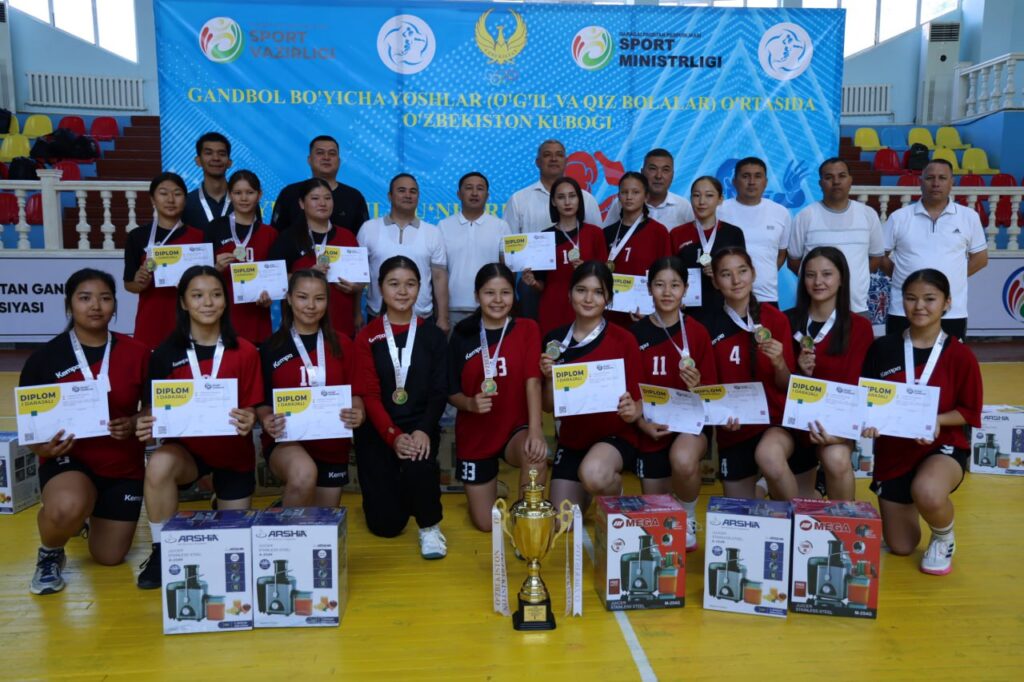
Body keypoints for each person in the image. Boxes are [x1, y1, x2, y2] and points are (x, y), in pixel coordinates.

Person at [20, 269, 150, 595]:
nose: (95, 306)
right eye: (85, 298)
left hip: (123, 466)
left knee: (109, 556)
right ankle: (50, 552)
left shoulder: (137, 352)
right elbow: (30, 425)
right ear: (69, 305)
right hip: (69, 462)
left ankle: (86, 515)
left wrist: (134, 421)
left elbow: (155, 407)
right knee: (67, 506)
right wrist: (42, 449)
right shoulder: (44, 359)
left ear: (115, 305)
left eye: (105, 298)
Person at [134, 266, 262, 589]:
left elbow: (253, 406)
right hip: (188, 455)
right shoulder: (165, 354)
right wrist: (146, 422)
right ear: (183, 302)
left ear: (226, 301)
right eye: (198, 295)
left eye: (216, 295)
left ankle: (222, 500)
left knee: (233, 551)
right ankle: (162, 550)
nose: (208, 303)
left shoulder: (246, 351)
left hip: (234, 456)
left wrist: (251, 417)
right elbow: (151, 409)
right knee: (158, 464)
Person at [862, 269, 982, 575]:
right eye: (911, 298)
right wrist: (870, 421)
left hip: (942, 447)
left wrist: (936, 420)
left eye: (930, 299)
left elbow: (970, 411)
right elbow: (867, 400)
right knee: (902, 545)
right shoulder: (882, 349)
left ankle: (943, 536)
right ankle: (917, 499)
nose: (919, 307)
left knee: (928, 490)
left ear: (947, 303)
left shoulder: (961, 355)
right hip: (894, 453)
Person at [353, 257, 449, 558]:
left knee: (418, 458)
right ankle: (401, 494)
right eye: (394, 284)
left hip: (419, 425)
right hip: (378, 429)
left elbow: (439, 392)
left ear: (420, 288)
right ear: (380, 288)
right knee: (386, 526)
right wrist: (393, 436)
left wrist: (423, 430)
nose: (403, 291)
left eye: (410, 284)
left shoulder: (432, 335)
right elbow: (369, 395)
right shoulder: (367, 336)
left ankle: (429, 526)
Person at [447, 264, 547, 531]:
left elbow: (533, 382)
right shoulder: (462, 334)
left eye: (505, 292)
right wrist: (470, 403)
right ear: (477, 295)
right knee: (486, 524)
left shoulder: (527, 328)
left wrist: (536, 431)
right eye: (489, 293)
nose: (498, 300)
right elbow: (451, 391)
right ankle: (493, 483)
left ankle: (526, 527)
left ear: (514, 294)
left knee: (535, 455)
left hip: (515, 429)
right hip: (477, 434)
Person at [540, 261, 643, 512]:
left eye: (598, 292)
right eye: (581, 290)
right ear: (569, 294)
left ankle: (612, 489)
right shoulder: (554, 341)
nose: (588, 299)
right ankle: (587, 490)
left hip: (614, 437)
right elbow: (548, 406)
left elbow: (640, 401)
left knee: (594, 474)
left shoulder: (625, 339)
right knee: (562, 522)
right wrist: (550, 378)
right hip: (573, 439)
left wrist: (633, 409)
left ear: (608, 299)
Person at [257, 270, 365, 507]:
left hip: (332, 443)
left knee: (321, 521)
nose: (311, 306)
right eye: (302, 297)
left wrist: (358, 412)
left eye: (319, 298)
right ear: (289, 298)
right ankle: (285, 525)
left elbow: (356, 393)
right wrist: (266, 419)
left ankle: (283, 509)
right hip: (287, 442)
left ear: (328, 301)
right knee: (303, 473)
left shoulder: (344, 344)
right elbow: (262, 402)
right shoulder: (271, 347)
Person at [630, 258, 717, 551]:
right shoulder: (636, 334)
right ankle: (672, 510)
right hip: (651, 427)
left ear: (686, 289)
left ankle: (689, 516)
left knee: (682, 459)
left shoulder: (698, 332)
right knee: (658, 524)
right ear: (648, 289)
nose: (667, 292)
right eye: (659, 284)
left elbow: (711, 395)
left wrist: (698, 385)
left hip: (690, 425)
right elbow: (630, 393)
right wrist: (642, 424)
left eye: (675, 285)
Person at [702, 247, 798, 499]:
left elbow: (787, 385)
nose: (736, 280)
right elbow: (709, 387)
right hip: (734, 428)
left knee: (769, 457)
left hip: (774, 424)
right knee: (741, 514)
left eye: (742, 271)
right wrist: (721, 414)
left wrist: (779, 363)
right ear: (715, 281)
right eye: (726, 274)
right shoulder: (706, 326)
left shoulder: (776, 320)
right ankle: (762, 487)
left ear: (753, 274)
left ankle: (800, 520)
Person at [785, 247, 874, 501]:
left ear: (842, 278)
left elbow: (859, 388)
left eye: (827, 274)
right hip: (794, 424)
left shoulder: (859, 327)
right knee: (802, 502)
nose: (818, 282)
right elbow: (777, 380)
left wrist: (841, 433)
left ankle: (844, 519)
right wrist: (798, 371)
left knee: (836, 458)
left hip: (837, 425)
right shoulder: (787, 321)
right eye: (810, 275)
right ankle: (812, 492)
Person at [881, 159, 988, 339]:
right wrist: (904, 277)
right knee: (899, 356)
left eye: (942, 178)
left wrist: (950, 278)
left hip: (952, 311)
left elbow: (981, 258)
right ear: (921, 182)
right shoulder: (899, 217)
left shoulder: (969, 217)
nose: (936, 183)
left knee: (948, 357)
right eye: (930, 178)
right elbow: (880, 255)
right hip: (903, 309)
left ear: (952, 182)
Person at [504, 140, 602, 318]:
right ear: (537, 162)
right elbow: (508, 251)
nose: (554, 159)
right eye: (547, 155)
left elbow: (596, 245)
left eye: (559, 155)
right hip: (534, 282)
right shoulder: (519, 199)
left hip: (582, 285)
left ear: (566, 160)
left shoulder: (587, 199)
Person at [787, 158, 884, 316]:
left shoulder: (868, 214)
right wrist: (818, 282)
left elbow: (877, 257)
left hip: (857, 308)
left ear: (850, 180)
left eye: (842, 176)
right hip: (816, 309)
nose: (836, 182)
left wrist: (855, 278)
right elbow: (793, 261)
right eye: (829, 177)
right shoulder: (805, 216)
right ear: (820, 183)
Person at [268, 178, 363, 339]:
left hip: (341, 322)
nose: (322, 203)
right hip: (302, 325)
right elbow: (273, 280)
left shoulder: (348, 237)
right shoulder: (288, 238)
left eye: (327, 198)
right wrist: (306, 275)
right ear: (301, 203)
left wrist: (357, 309)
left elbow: (359, 280)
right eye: (315, 198)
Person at [123, 172, 205, 351]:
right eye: (163, 193)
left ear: (185, 199)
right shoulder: (137, 236)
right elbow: (129, 285)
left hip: (192, 322)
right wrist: (140, 282)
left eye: (177, 194)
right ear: (153, 199)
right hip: (152, 322)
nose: (170, 199)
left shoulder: (200, 238)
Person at [359, 174, 451, 332]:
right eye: (401, 190)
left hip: (422, 317)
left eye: (413, 191)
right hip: (378, 316)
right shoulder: (368, 229)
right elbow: (358, 277)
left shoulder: (433, 232)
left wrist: (442, 317)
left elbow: (439, 277)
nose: (408, 195)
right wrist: (356, 313)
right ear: (390, 196)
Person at [522, 176, 608, 336]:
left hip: (587, 306)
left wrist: (587, 270)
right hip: (553, 308)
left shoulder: (595, 233)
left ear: (579, 200)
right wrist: (532, 282)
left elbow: (605, 278)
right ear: (553, 202)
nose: (567, 202)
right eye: (561, 197)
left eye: (572, 196)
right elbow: (541, 285)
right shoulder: (544, 237)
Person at [206, 170, 278, 344]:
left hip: (257, 319)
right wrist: (215, 269)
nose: (244, 198)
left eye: (250, 192)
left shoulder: (270, 234)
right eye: (238, 193)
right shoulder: (215, 228)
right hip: (221, 316)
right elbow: (200, 276)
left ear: (259, 195)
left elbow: (275, 279)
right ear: (230, 195)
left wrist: (269, 296)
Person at [438, 172, 511, 328]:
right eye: (469, 188)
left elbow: (508, 268)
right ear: (459, 194)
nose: (474, 193)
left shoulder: (500, 226)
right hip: (453, 307)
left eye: (480, 188)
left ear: (487, 195)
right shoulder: (443, 226)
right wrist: (441, 314)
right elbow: (439, 273)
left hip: (491, 306)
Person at [671, 176, 746, 323]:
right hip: (687, 310)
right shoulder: (677, 233)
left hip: (726, 308)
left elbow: (742, 272)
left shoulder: (733, 233)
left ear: (720, 199)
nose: (702, 201)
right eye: (696, 195)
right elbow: (670, 273)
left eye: (709, 195)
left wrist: (720, 271)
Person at [717, 157, 791, 307]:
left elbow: (782, 253)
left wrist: (762, 275)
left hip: (766, 296)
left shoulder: (781, 212)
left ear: (766, 182)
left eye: (758, 176)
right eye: (745, 176)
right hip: (726, 297)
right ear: (734, 181)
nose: (751, 182)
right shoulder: (719, 211)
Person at [271, 135, 369, 235]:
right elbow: (276, 234)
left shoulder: (354, 197)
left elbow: (363, 237)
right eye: (320, 153)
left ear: (339, 161)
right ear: (309, 160)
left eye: (332, 153)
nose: (326, 157)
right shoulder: (289, 193)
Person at [603, 148, 695, 229]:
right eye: (652, 169)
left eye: (665, 170)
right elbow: (607, 235)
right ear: (642, 172)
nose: (658, 176)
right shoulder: (623, 203)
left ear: (672, 175)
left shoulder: (684, 207)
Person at [182, 132, 234, 235]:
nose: (216, 158)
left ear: (229, 162)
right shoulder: (186, 203)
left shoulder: (244, 202)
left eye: (222, 154)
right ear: (198, 161)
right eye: (208, 153)